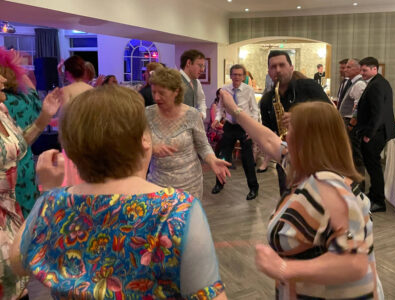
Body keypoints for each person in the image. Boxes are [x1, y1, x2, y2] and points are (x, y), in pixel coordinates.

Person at [9, 85, 228, 300]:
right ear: (144, 139)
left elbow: (17, 262)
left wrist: (47, 192)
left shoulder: (52, 204)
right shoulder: (177, 210)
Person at [219, 90, 381, 299]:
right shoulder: (306, 169)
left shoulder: (329, 187)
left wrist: (284, 268)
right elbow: (269, 141)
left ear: (309, 138)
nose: (286, 136)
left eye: (291, 129)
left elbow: (354, 262)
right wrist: (235, 111)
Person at [0, 73, 61, 300]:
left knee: (18, 283)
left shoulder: (3, 113)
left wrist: (44, 117)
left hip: (12, 212)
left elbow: (19, 145)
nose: (4, 80)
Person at [146, 68, 230, 200]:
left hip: (189, 186)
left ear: (176, 91)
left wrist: (212, 160)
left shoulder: (192, 115)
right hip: (157, 184)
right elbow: (135, 145)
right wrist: (151, 148)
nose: (156, 97)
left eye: (161, 93)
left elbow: (203, 146)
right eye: (154, 92)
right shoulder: (147, 114)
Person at [260, 50, 330, 195]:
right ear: (268, 71)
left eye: (282, 65)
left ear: (291, 67)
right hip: (286, 157)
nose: (277, 70)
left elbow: (330, 114)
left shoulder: (308, 86)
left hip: (316, 154)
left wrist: (301, 116)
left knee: (318, 199)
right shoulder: (267, 99)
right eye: (273, 67)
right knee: (288, 197)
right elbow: (269, 131)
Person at [0, 47, 42, 218]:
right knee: (28, 222)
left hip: (11, 175)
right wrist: (18, 71)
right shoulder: (25, 100)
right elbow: (35, 95)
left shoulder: (5, 105)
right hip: (25, 170)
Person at [211, 64, 260, 200]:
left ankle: (253, 188)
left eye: (239, 75)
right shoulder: (224, 89)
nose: (237, 77)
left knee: (247, 159)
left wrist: (253, 127)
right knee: (223, 157)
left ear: (244, 76)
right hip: (230, 126)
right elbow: (220, 108)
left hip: (245, 126)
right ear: (231, 76)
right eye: (234, 74)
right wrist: (217, 119)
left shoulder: (249, 90)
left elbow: (255, 110)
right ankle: (219, 184)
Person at [356, 57, 395, 213]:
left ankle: (379, 201)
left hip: (375, 133)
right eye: (361, 70)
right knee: (373, 166)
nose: (362, 73)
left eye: (365, 70)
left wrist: (369, 134)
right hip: (377, 132)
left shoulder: (377, 85)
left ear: (375, 69)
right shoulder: (379, 82)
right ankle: (374, 194)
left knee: (374, 167)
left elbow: (378, 112)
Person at [61, 55, 93, 186]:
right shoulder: (92, 90)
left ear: (68, 72)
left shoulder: (66, 91)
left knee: (72, 175)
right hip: (90, 136)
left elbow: (65, 117)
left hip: (73, 137)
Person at [339, 58, 367, 187]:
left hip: (351, 123)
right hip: (347, 121)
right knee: (350, 155)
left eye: (349, 67)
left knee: (355, 156)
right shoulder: (352, 83)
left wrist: (351, 125)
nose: (345, 69)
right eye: (345, 67)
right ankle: (353, 183)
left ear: (357, 69)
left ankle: (359, 185)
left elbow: (359, 108)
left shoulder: (359, 84)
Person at [179, 49, 207, 119]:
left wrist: (202, 114)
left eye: (203, 66)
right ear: (188, 63)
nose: (202, 70)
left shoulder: (197, 82)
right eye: (200, 65)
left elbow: (201, 99)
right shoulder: (175, 80)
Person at [207, 88, 224, 153]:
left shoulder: (224, 105)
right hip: (214, 129)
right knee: (226, 135)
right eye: (221, 94)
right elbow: (215, 122)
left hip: (221, 128)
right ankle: (218, 155)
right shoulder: (214, 105)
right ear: (218, 95)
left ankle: (225, 156)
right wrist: (225, 127)